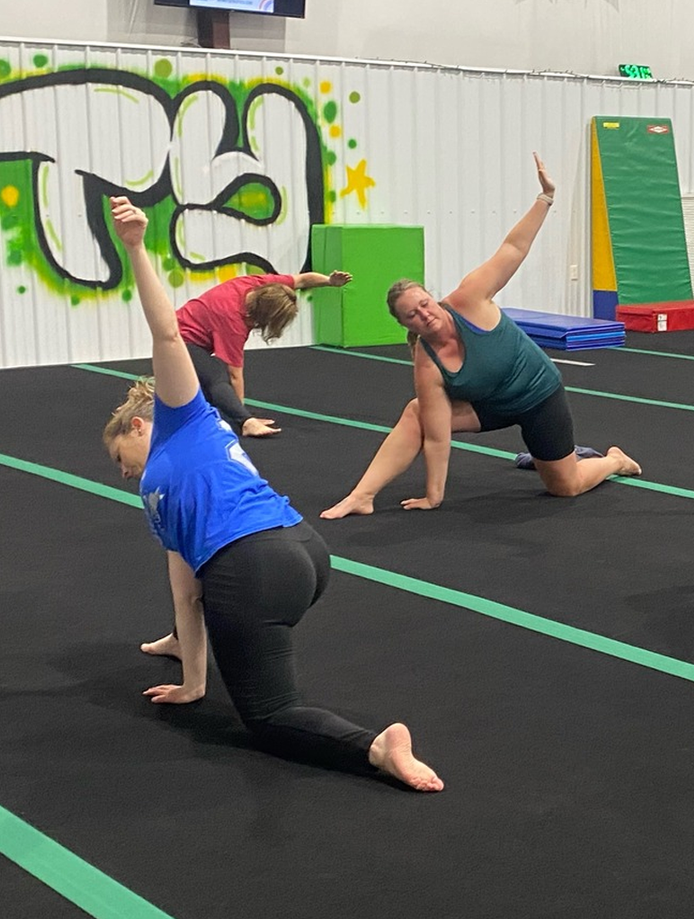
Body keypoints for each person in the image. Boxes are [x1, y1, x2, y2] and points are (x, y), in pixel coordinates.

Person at [100, 195, 442, 791]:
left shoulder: (184, 418)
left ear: (136, 425)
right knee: (247, 638)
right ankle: (243, 651)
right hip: (303, 551)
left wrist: (135, 247)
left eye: (118, 459)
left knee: (268, 716)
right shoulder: (199, 444)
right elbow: (185, 589)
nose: (124, 472)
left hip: (253, 568)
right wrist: (193, 679)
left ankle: (377, 748)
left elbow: (167, 334)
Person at [320, 154, 640, 520]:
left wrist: (546, 198)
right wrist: (434, 496)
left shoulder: (469, 299)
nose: (424, 314)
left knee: (565, 487)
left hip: (538, 395)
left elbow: (513, 248)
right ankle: (362, 495)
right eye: (413, 315)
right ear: (407, 326)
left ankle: (614, 461)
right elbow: (437, 436)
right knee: (417, 412)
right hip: (492, 407)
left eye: (424, 304)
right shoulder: (427, 363)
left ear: (432, 298)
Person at [176, 267, 353, 436]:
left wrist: (329, 281)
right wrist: (244, 417)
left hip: (182, 333)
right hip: (179, 342)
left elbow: (303, 280)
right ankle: (245, 423)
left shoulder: (261, 286)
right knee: (216, 376)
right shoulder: (233, 321)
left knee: (208, 381)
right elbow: (234, 374)